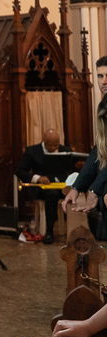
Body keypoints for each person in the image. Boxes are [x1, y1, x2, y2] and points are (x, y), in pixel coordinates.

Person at [62, 57, 107, 233]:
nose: (104, 81)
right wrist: (77, 187)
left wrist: (94, 190)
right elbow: (99, 152)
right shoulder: (103, 105)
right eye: (100, 76)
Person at [17, 127, 75, 243]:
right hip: (42, 189)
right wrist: (37, 178)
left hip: (62, 186)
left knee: (76, 193)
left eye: (56, 145)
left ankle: (76, 232)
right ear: (43, 140)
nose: (53, 148)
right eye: (50, 145)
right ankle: (49, 232)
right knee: (52, 195)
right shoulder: (32, 151)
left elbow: (72, 170)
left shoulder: (65, 150)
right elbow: (20, 171)